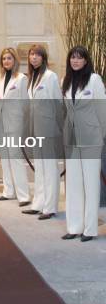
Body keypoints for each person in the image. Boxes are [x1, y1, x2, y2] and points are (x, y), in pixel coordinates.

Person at [61, 46, 106, 242]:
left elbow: (102, 109)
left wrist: (102, 135)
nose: (75, 61)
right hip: (71, 138)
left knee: (90, 184)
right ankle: (74, 226)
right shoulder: (66, 80)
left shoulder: (94, 79)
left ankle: (89, 229)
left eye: (79, 58)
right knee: (73, 184)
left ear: (86, 61)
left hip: (91, 138)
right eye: (73, 57)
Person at [22, 45, 63, 220]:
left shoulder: (51, 76)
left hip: (48, 128)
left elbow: (58, 104)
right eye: (31, 54)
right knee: (39, 167)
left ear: (43, 57)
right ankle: (38, 203)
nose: (34, 57)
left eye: (37, 54)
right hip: (34, 127)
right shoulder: (31, 77)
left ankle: (50, 206)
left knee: (50, 168)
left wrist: (58, 128)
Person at [0, 47, 30, 206]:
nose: (6, 61)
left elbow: (25, 103)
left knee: (15, 157)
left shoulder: (21, 78)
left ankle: (24, 196)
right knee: (5, 157)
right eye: (4, 58)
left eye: (9, 58)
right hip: (0, 120)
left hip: (15, 122)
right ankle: (9, 191)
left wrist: (23, 124)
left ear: (15, 60)